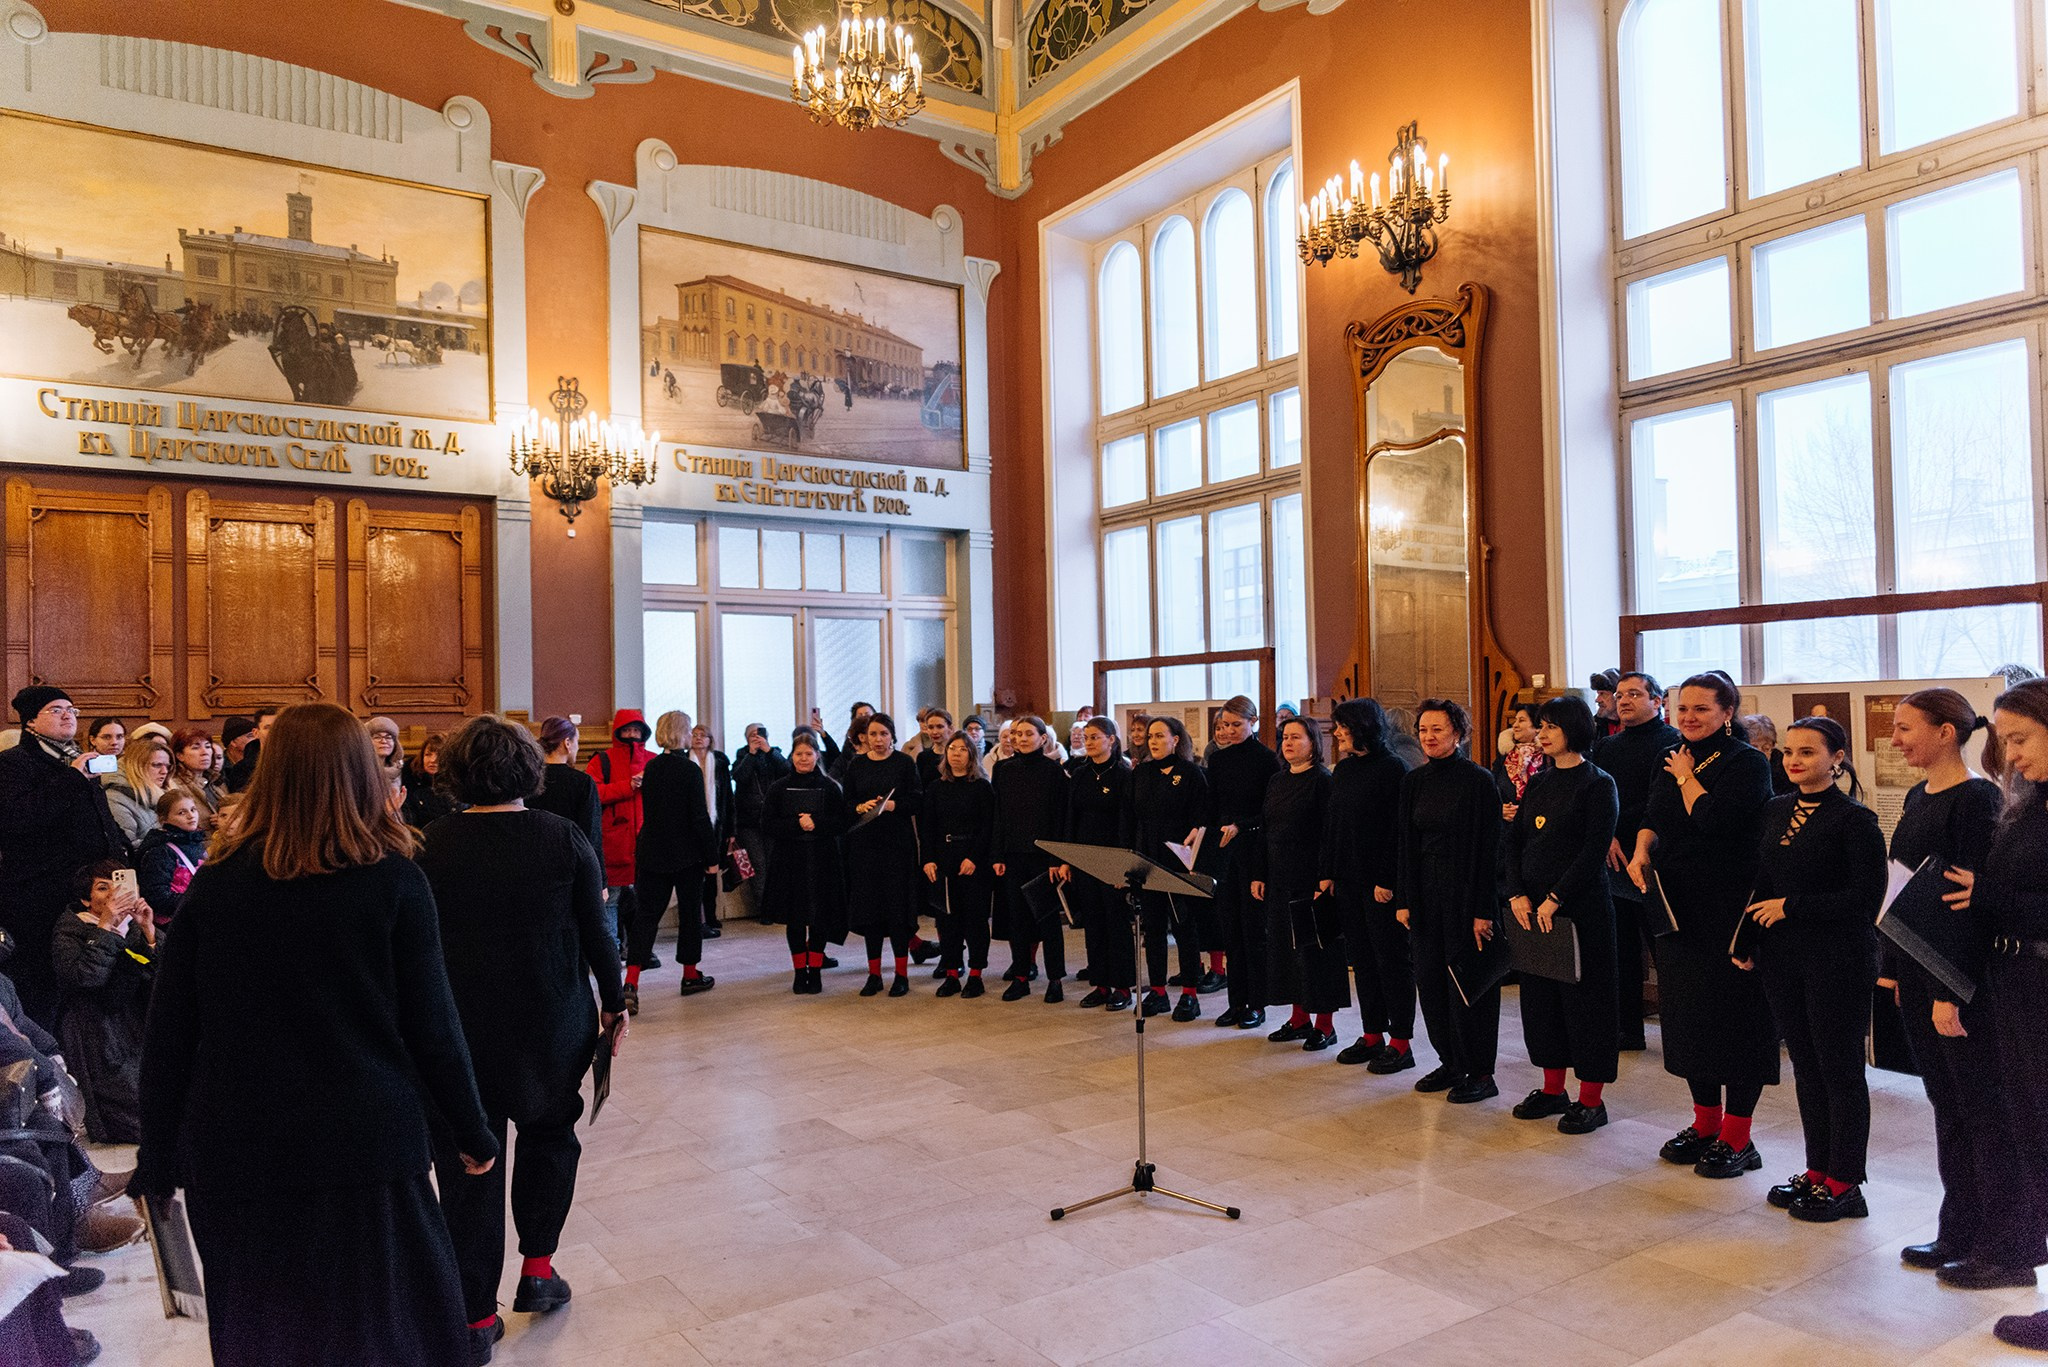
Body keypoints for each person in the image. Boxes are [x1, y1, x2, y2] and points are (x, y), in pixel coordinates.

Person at [133, 702, 499, 1367]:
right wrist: (473, 1132)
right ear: (364, 775)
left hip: (238, 1148)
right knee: (379, 1333)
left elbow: (169, 1033)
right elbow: (434, 1030)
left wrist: (156, 1157)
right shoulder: (394, 882)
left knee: (264, 1334)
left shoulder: (216, 885)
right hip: (363, 1144)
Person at [415, 716, 627, 1357]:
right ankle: (538, 1269)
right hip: (551, 1020)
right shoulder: (561, 837)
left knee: (469, 1162)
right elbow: (597, 932)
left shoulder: (430, 844)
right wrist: (614, 1008)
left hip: (460, 1030)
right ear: (528, 771)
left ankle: (475, 1312)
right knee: (548, 1139)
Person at [1879, 689, 2039, 1286]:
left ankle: (2003, 1240)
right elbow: (1903, 889)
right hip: (1921, 972)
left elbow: (1968, 903)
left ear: (1947, 732)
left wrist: (1952, 988)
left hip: (1957, 978)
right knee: (1948, 1107)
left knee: (1983, 1111)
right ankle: (1960, 1227)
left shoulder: (1976, 800)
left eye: (1905, 728)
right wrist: (1897, 968)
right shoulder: (1921, 794)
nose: (1895, 739)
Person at [1627, 671, 1778, 1180]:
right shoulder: (1667, 754)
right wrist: (1641, 849)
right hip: (1675, 905)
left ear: (1727, 712)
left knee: (1733, 1018)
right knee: (1688, 1017)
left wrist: (1688, 777)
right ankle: (1705, 1123)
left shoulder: (1748, 762)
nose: (1688, 718)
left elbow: (1716, 821)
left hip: (1727, 905)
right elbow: (1653, 811)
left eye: (1701, 709)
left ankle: (1739, 1135)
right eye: (1682, 708)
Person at [1739, 715, 1887, 1222]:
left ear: (1837, 759)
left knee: (1838, 1067)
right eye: (1788, 752)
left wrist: (1793, 907)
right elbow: (1762, 882)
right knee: (1805, 1065)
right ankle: (1818, 1170)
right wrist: (1746, 938)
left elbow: (1866, 899)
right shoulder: (1777, 809)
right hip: (1783, 957)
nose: (1795, 761)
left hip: (1838, 958)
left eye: (1808, 752)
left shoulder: (1855, 820)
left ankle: (1847, 1181)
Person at [1971, 681, 2048, 1352]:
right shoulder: (2031, 803)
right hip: (2018, 983)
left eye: (2020, 737)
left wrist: (1987, 894)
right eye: (2003, 739)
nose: (2010, 753)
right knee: (2033, 1136)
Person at [1504, 697, 1620, 1134]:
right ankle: (1553, 1089)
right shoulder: (1539, 781)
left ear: (1574, 730)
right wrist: (1517, 892)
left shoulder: (1597, 783)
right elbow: (1514, 841)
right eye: (1542, 726)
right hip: (1532, 911)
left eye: (1552, 726)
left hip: (1579, 911)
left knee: (1586, 1005)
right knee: (1541, 1002)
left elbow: (1593, 851)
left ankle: (1591, 1099)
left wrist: (1555, 897)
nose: (1543, 733)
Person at [1395, 699, 1505, 1104]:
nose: (1429, 737)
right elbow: (1406, 844)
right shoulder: (1413, 782)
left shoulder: (1477, 781)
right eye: (1423, 730)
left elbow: (1489, 848)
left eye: (1437, 729)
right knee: (1431, 982)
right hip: (1424, 893)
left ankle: (1479, 1070)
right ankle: (1449, 1060)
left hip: (1465, 893)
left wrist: (1482, 910)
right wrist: (1404, 898)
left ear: (1458, 733)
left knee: (1468, 985)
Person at [0, 688, 122, 1026]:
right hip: (40, 896)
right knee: (43, 988)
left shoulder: (77, 758)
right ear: (31, 722)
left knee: (91, 982)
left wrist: (121, 861)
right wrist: (73, 779)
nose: (69, 715)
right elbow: (18, 819)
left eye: (72, 709)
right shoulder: (12, 764)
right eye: (56, 710)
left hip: (89, 891)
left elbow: (101, 818)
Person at [1321, 698, 1414, 1070]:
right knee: (1361, 961)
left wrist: (1386, 879)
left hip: (1380, 885)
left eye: (1344, 726)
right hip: (1348, 880)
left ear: (1363, 727)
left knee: (1390, 961)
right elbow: (1334, 825)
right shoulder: (1343, 771)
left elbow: (1397, 832)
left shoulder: (1393, 769)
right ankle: (1372, 1033)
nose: (1339, 733)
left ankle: (1402, 1041)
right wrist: (1327, 871)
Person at [1592, 672, 1679, 1052]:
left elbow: (1662, 802)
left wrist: (1631, 832)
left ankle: (1680, 1031)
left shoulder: (1674, 744)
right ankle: (1628, 1028)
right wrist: (1607, 833)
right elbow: (1599, 795)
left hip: (1659, 855)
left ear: (1657, 702)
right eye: (1620, 695)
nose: (1624, 700)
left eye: (1634, 694)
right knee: (1621, 948)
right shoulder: (1608, 747)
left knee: (1666, 948)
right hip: (1614, 856)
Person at [1252, 716, 1348, 1051]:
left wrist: (1326, 876)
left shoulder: (1322, 781)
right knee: (1286, 951)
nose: (1288, 743)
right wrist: (1259, 873)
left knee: (1315, 953)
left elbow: (1329, 834)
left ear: (1313, 744)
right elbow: (1267, 830)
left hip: (1311, 879)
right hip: (1279, 876)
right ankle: (1298, 1018)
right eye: (1284, 738)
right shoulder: (1277, 781)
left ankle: (1324, 1024)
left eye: (1296, 737)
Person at [50, 859, 155, 1145]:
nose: (112, 893)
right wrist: (106, 926)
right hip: (97, 1031)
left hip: (136, 1024)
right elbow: (85, 977)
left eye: (117, 885)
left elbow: (164, 974)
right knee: (137, 1121)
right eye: (102, 887)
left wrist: (149, 933)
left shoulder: (134, 926)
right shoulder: (70, 931)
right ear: (86, 899)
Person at [626, 712, 718, 1012]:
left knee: (646, 917)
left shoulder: (651, 767)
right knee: (690, 915)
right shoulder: (689, 770)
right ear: (683, 733)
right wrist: (712, 857)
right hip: (686, 854)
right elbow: (699, 818)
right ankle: (690, 975)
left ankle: (631, 982)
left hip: (653, 850)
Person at [760, 734, 851, 993]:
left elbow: (841, 822)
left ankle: (816, 970)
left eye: (808, 754)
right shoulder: (779, 788)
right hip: (790, 861)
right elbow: (767, 824)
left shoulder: (830, 787)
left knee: (819, 918)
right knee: (796, 919)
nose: (803, 758)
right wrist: (796, 824)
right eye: (799, 754)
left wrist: (817, 824)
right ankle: (800, 972)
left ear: (817, 756)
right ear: (792, 756)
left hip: (822, 859)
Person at [1130, 716, 1208, 1021]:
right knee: (1153, 927)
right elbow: (1132, 816)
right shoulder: (1141, 773)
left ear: (1176, 739)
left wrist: (1195, 833)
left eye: (1160, 735)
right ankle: (1158, 991)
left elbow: (1201, 817)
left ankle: (1189, 993)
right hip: (1147, 859)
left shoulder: (1191, 774)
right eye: (1150, 736)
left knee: (1183, 927)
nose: (1153, 741)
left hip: (1179, 861)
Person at [1056, 717, 1136, 1012]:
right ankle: (1100, 984)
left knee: (1116, 923)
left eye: (1095, 737)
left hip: (1113, 858)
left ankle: (1122, 987)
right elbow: (1070, 817)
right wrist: (1068, 858)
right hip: (1084, 857)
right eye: (1085, 737)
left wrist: (1123, 864)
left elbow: (1127, 821)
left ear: (1112, 740)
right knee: (1093, 923)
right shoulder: (1079, 774)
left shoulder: (1124, 774)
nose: (1088, 742)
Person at [842, 714, 924, 997]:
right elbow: (847, 802)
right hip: (866, 845)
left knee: (897, 911)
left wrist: (894, 806)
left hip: (897, 845)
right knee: (871, 910)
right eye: (873, 734)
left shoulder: (904, 763)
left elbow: (917, 800)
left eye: (883, 734)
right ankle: (874, 974)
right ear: (865, 737)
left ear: (892, 736)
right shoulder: (857, 765)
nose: (878, 740)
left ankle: (901, 974)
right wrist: (859, 806)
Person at [1205, 696, 1276, 1024]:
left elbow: (1269, 811)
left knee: (1252, 932)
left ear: (1253, 722)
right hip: (1225, 850)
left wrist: (1242, 825)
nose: (1230, 731)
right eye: (1225, 725)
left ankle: (1256, 1004)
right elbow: (1214, 806)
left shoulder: (1266, 760)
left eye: (1237, 725)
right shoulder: (1218, 762)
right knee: (1229, 928)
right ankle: (1235, 1002)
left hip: (1253, 850)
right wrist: (1201, 831)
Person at [990, 715, 1070, 1003]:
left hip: (1043, 858)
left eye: (1028, 734)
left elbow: (1059, 818)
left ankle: (1055, 980)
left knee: (1048, 921)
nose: (1021, 739)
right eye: (1017, 734)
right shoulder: (1003, 769)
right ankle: (1021, 977)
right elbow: (998, 814)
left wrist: (1056, 858)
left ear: (1043, 738)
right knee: (1017, 920)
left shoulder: (1053, 772)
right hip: (1013, 855)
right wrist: (997, 854)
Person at [919, 733, 995, 997]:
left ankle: (975, 975)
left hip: (974, 861)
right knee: (947, 921)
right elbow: (927, 827)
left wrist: (974, 857)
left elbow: (988, 827)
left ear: (971, 755)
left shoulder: (982, 787)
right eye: (952, 749)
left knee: (975, 921)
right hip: (944, 859)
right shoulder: (935, 788)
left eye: (963, 749)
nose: (956, 753)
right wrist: (928, 859)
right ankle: (952, 973)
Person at [588, 710, 652, 961]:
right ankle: (612, 951)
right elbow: (594, 794)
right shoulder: (603, 760)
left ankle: (640, 950)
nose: (632, 735)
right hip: (615, 842)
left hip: (645, 841)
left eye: (636, 731)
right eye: (627, 730)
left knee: (643, 901)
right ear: (618, 732)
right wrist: (628, 787)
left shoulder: (653, 760)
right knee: (611, 901)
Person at [732, 723, 792, 909]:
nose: (756, 738)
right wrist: (751, 754)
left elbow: (788, 771)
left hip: (773, 819)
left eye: (760, 734)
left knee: (775, 863)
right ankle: (764, 907)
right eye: (752, 735)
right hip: (749, 822)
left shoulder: (775, 754)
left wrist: (769, 751)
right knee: (757, 864)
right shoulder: (742, 756)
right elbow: (740, 777)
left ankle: (778, 905)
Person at [687, 725, 736, 940]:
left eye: (702, 736)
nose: (698, 739)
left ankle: (711, 915)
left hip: (716, 823)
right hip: (690, 826)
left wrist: (731, 829)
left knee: (711, 872)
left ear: (710, 740)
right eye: (694, 735)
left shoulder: (719, 762)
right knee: (694, 873)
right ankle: (695, 918)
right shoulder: (684, 761)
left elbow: (728, 795)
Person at [530, 716, 602, 857]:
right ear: (567, 743)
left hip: (533, 860)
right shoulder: (583, 782)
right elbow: (591, 836)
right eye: (577, 741)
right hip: (569, 861)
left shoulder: (529, 778)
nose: (578, 747)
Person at [134, 790, 208, 924]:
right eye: (181, 812)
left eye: (193, 809)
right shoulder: (160, 851)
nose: (191, 816)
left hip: (195, 916)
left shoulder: (196, 843)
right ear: (164, 819)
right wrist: (199, 902)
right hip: (173, 923)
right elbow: (157, 896)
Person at [104, 737, 172, 854]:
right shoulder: (115, 798)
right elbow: (126, 848)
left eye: (167, 766)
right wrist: (170, 839)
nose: (164, 771)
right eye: (157, 765)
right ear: (136, 767)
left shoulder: (167, 794)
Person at [1492, 705, 1545, 821]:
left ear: (1537, 727)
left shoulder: (1548, 757)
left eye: (1521, 720)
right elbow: (1491, 790)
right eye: (1515, 720)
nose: (1515, 725)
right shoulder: (1505, 757)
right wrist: (1499, 809)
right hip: (1507, 827)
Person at [402, 733, 460, 830]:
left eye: (439, 755)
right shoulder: (410, 781)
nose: (433, 760)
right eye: (428, 755)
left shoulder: (456, 783)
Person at [221, 706, 275, 794]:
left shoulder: (295, 761)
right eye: (267, 727)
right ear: (256, 733)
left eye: (278, 727)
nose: (274, 731)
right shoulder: (242, 769)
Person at [1743, 714, 1794, 795]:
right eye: (1753, 748)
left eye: (1766, 748)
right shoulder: (1734, 767)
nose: (1760, 754)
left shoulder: (1783, 770)